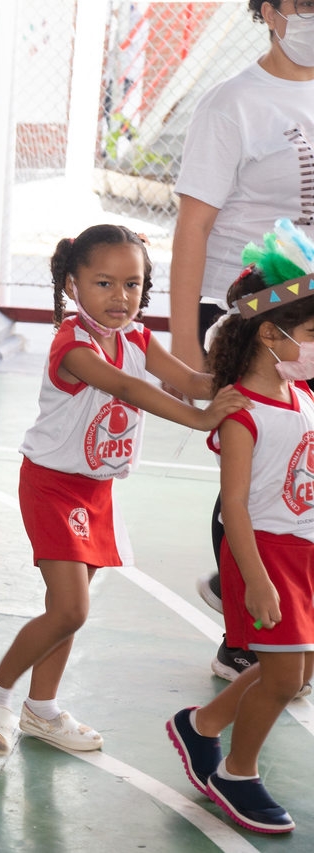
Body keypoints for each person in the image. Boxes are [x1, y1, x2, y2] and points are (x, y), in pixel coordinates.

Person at [0, 224, 250, 757]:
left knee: (64, 609)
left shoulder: (137, 338)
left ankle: (42, 709)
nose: (121, 296)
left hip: (96, 490)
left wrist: (251, 379)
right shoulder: (71, 345)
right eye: (104, 283)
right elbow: (127, 387)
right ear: (72, 285)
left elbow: (194, 381)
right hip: (53, 486)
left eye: (132, 284)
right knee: (71, 609)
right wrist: (200, 418)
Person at [168, 0, 314, 680]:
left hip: (311, 315)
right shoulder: (233, 104)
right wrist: (183, 346)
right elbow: (193, 227)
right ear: (269, 12)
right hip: (251, 314)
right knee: (255, 469)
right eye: (302, 3)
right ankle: (243, 632)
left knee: (299, 470)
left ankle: (260, 595)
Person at [167, 223, 314, 834]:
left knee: (299, 669)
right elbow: (234, 506)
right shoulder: (242, 413)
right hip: (265, 553)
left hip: (303, 551)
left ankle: (199, 725)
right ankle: (237, 773)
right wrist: (254, 579)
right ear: (271, 334)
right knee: (283, 676)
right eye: (312, 333)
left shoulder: (300, 394)